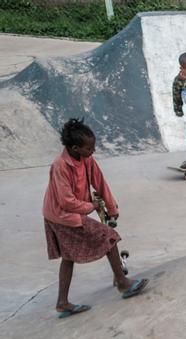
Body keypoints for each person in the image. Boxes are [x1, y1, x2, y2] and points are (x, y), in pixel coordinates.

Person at [43, 118, 148, 318]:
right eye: (89, 147)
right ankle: (123, 284)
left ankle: (62, 303)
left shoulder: (87, 159)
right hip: (61, 216)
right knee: (109, 236)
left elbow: (100, 181)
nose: (93, 150)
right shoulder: (60, 166)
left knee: (68, 256)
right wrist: (91, 206)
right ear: (75, 148)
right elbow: (66, 201)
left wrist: (111, 205)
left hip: (69, 213)